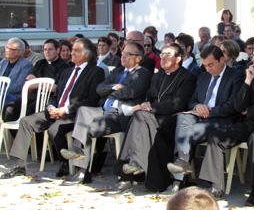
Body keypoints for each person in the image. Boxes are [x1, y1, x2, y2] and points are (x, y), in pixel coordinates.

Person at [197, 41, 254, 206]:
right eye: (252, 55)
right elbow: (238, 106)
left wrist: (250, 111)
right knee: (216, 137)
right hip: (248, 123)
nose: (253, 59)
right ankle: (216, 186)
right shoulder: (251, 75)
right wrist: (248, 81)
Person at [0, 38, 105, 180]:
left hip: (75, 114)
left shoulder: (96, 72)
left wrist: (66, 110)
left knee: (55, 127)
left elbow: (92, 100)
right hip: (56, 110)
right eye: (72, 50)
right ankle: (19, 166)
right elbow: (57, 94)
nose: (71, 53)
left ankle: (66, 162)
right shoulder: (67, 72)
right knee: (26, 122)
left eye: (76, 51)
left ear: (86, 54)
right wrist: (51, 107)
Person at [59, 41, 152, 185]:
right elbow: (99, 89)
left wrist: (112, 92)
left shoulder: (143, 74)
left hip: (119, 114)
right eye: (123, 53)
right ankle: (79, 152)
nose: (123, 56)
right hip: (103, 109)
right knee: (83, 111)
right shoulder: (118, 71)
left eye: (128, 54)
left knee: (87, 127)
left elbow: (132, 91)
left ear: (138, 58)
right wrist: (114, 87)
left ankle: (82, 171)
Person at [114, 43, 196, 192]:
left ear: (178, 59)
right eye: (162, 54)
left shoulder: (187, 77)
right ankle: (138, 168)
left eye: (167, 54)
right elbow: (150, 96)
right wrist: (146, 104)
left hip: (171, 119)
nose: (162, 57)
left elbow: (178, 103)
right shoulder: (157, 76)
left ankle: (131, 171)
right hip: (151, 117)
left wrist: (151, 107)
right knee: (139, 117)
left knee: (139, 117)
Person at [166, 45, 243, 191]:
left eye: (211, 64)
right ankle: (182, 161)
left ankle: (179, 176)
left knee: (184, 131)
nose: (208, 69)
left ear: (222, 59)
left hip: (220, 119)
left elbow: (233, 106)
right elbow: (192, 100)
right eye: (205, 65)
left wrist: (209, 111)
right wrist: (198, 106)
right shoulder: (203, 76)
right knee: (182, 118)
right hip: (200, 116)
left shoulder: (235, 76)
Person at [0, 37, 32, 121]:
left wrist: (3, 88)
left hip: (13, 97)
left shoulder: (26, 65)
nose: (6, 50)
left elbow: (18, 86)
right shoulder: (3, 62)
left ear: (19, 52)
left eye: (10, 49)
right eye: (6, 47)